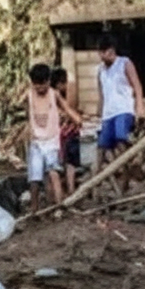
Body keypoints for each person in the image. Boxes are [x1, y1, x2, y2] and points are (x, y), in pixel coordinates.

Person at [25, 64, 81, 213]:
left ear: (49, 81)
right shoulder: (29, 96)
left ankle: (59, 206)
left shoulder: (53, 94)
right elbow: (28, 115)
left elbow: (66, 108)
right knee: (34, 179)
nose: (40, 88)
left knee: (54, 172)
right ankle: (34, 209)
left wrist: (77, 119)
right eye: (36, 84)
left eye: (43, 84)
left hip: (51, 142)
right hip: (36, 142)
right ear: (32, 83)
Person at [96, 34, 144, 194]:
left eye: (106, 52)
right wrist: (99, 114)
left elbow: (137, 86)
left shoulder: (125, 63)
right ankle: (110, 183)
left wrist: (140, 108)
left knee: (121, 140)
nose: (103, 56)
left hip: (124, 109)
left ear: (112, 51)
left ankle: (126, 176)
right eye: (101, 53)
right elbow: (101, 94)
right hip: (108, 113)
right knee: (103, 148)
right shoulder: (100, 70)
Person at [52, 67, 84, 195]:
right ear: (60, 84)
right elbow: (65, 115)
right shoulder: (56, 95)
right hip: (65, 134)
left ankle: (66, 190)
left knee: (65, 163)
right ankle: (69, 190)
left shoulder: (52, 95)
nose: (66, 86)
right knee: (69, 162)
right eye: (65, 83)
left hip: (62, 134)